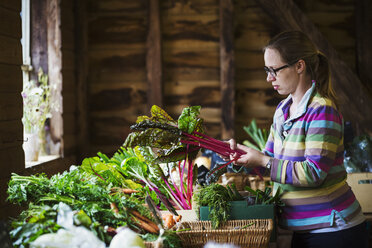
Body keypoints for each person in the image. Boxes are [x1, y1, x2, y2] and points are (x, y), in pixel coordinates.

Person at [227, 31, 369, 248]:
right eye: (267, 70)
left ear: (299, 66)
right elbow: (271, 164)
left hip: (333, 229)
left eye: (274, 70)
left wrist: (264, 161)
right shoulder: (282, 110)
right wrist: (244, 158)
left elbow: (314, 173)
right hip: (305, 229)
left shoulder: (321, 110)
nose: (268, 78)